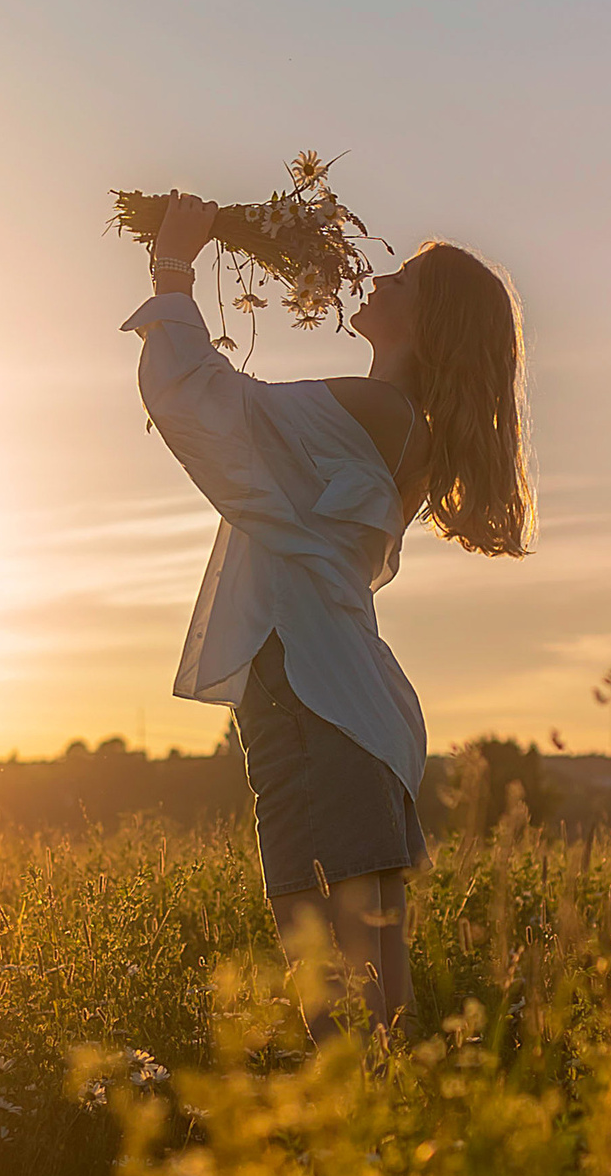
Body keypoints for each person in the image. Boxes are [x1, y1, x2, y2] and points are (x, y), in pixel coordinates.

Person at [123, 192, 534, 1039]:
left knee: (335, 995)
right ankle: (400, 1152)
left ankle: (366, 1155)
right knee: (377, 993)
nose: (379, 276)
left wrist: (172, 268)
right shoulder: (394, 423)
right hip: (348, 710)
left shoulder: (378, 414)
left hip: (313, 704)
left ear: (431, 323)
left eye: (406, 279)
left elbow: (207, 406)